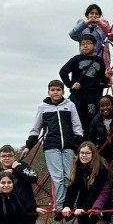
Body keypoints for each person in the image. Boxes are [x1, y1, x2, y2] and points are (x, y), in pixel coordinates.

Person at [23, 80, 84, 209]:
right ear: (48, 92)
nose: (55, 92)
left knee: (68, 176)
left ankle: (68, 204)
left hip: (68, 145)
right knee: (58, 177)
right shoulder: (43, 107)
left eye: (58, 90)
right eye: (53, 90)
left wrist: (78, 140)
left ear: (63, 91)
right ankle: (59, 206)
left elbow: (76, 125)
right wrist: (29, 146)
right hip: (51, 146)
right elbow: (36, 128)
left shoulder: (70, 105)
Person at [60, 33, 110, 133]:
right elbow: (63, 71)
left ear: (95, 46)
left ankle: (89, 144)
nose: (85, 46)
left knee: (91, 121)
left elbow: (103, 81)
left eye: (88, 43)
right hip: (78, 95)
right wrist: (70, 85)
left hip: (93, 96)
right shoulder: (76, 59)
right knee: (76, 119)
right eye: (82, 44)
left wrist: (107, 76)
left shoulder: (99, 61)